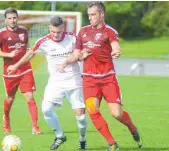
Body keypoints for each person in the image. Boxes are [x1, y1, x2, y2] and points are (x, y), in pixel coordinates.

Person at [60, 2, 143, 151]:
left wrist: (116, 51)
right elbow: (76, 53)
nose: (90, 18)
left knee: (116, 113)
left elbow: (116, 45)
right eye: (89, 15)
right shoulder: (83, 32)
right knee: (92, 109)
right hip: (89, 79)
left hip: (107, 78)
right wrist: (68, 60)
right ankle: (112, 143)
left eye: (93, 15)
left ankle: (132, 127)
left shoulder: (109, 31)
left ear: (102, 14)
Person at [7, 16, 88, 150]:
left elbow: (81, 52)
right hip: (55, 82)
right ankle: (60, 136)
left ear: (63, 29)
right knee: (46, 109)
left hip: (74, 80)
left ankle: (82, 140)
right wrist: (15, 66)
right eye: (53, 32)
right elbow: (30, 54)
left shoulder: (73, 38)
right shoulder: (43, 41)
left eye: (59, 32)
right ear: (49, 29)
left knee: (80, 116)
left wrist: (80, 56)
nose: (56, 35)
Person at [0, 8, 42, 134]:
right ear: (5, 20)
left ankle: (35, 128)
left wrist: (30, 52)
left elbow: (27, 46)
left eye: (14, 18)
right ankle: (6, 118)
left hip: (25, 68)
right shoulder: (1, 34)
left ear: (17, 18)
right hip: (10, 71)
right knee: (10, 98)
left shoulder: (24, 30)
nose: (12, 20)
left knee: (29, 96)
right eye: (9, 18)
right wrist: (8, 55)